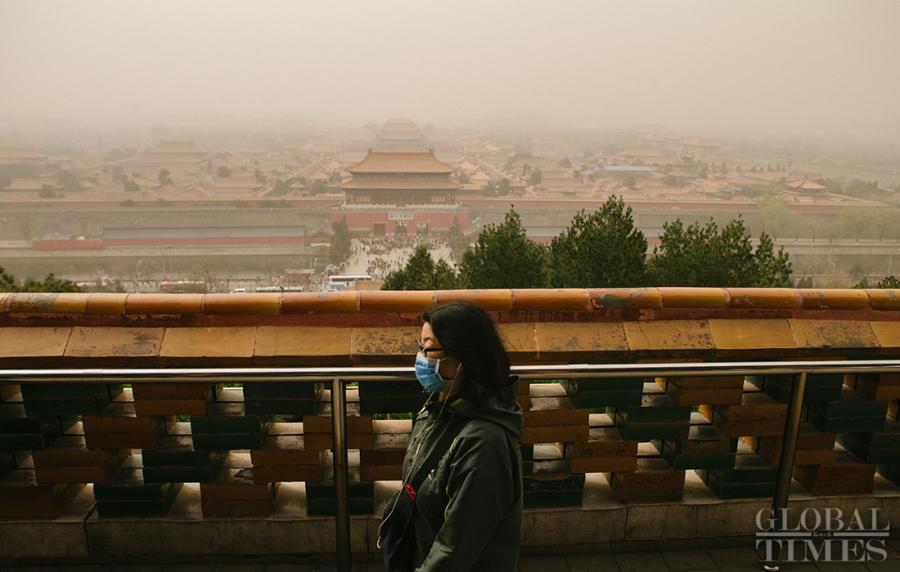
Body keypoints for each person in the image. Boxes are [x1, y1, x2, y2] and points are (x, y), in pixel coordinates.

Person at [401, 301, 523, 571]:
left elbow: (455, 548)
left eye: (429, 349)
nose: (420, 358)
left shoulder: (483, 445)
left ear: (463, 358)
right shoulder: (440, 407)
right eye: (420, 347)